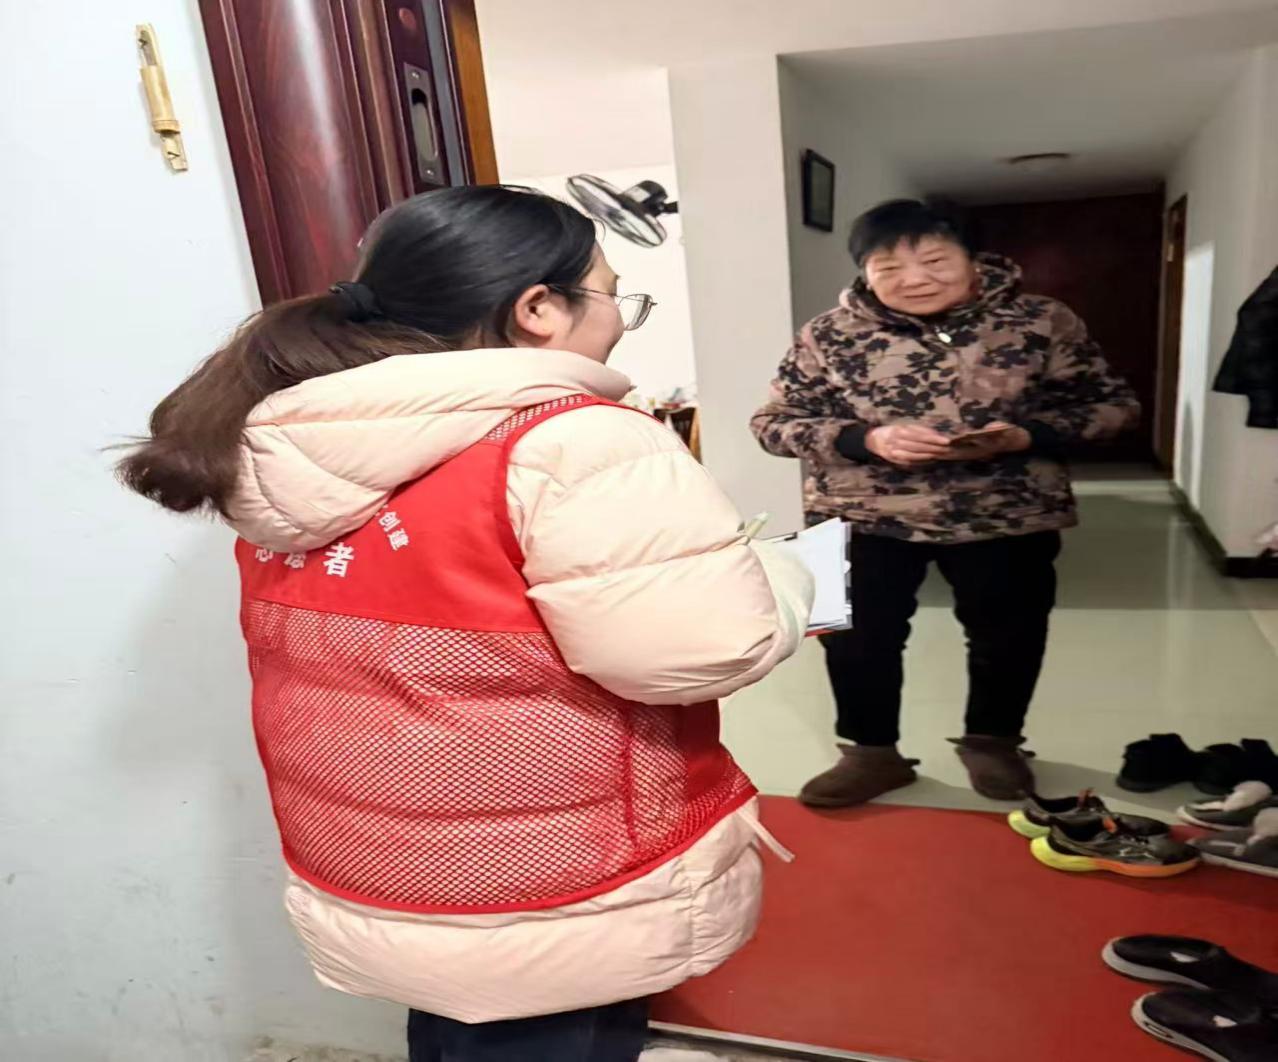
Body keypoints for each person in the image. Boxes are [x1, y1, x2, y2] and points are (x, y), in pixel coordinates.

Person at [119, 186, 813, 1062]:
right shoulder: (576, 441)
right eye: (613, 295)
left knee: (458, 1023)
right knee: (559, 1035)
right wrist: (782, 576)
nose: (619, 321)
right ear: (538, 309)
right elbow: (698, 649)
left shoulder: (282, 446)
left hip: (379, 854)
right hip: (555, 872)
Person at [751, 198, 1138, 808]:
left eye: (935, 261)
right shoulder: (827, 335)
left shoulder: (1041, 320)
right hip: (860, 515)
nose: (915, 279)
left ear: (972, 257)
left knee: (1008, 636)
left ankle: (994, 744)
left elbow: (1113, 407)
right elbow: (773, 423)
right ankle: (870, 753)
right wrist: (866, 439)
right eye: (889, 267)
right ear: (865, 271)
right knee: (852, 640)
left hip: (1007, 510)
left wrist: (1025, 436)